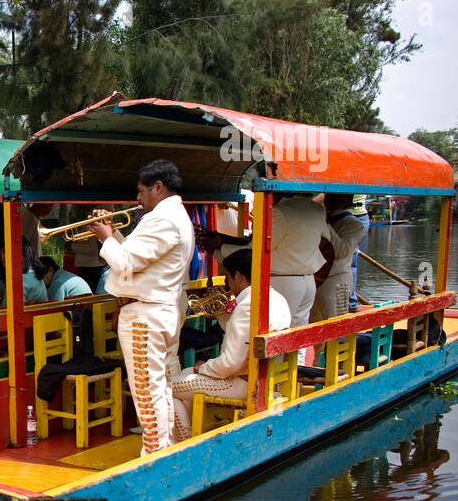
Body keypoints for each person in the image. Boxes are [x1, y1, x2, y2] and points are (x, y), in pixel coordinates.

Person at [89, 159, 194, 455]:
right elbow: (133, 257)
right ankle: (166, 448)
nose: (137, 199)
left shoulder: (163, 218)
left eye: (141, 192)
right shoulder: (172, 215)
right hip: (156, 311)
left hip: (144, 316)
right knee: (158, 388)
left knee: (147, 394)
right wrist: (112, 234)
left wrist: (106, 237)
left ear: (157, 187)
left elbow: (124, 262)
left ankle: (154, 455)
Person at [170, 249, 291, 442]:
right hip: (265, 377)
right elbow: (244, 336)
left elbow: (230, 364)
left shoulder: (247, 305)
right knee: (184, 375)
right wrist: (221, 314)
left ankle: (185, 442)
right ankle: (188, 434)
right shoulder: (276, 298)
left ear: (239, 276)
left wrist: (203, 367)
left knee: (165, 387)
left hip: (245, 383)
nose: (227, 283)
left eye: (227, 276)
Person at [197, 193, 324, 328]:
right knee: (297, 334)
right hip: (308, 281)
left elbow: (254, 251)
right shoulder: (317, 210)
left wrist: (219, 250)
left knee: (272, 330)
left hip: (283, 281)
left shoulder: (280, 212)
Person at [312, 193, 367, 322]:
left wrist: (324, 225)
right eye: (329, 195)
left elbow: (342, 252)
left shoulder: (354, 225)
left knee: (334, 328)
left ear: (347, 199)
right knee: (310, 328)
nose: (329, 199)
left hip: (335, 282)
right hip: (314, 281)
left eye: (335, 196)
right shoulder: (316, 219)